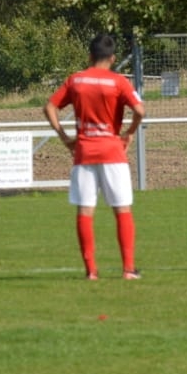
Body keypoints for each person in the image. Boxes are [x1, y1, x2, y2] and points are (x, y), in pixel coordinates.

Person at [43, 33, 145, 280]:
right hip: (112, 151)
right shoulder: (118, 82)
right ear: (113, 58)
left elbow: (49, 107)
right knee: (122, 209)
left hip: (84, 152)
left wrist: (64, 137)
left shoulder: (76, 80)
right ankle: (128, 270)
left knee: (85, 210)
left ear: (90, 56)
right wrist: (129, 133)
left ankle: (91, 271)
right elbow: (140, 110)